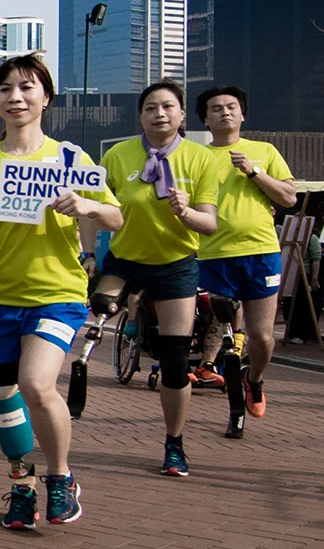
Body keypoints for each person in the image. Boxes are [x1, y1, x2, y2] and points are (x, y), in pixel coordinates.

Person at [0, 54, 120, 530]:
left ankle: (61, 478)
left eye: (28, 88)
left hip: (55, 292)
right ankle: (21, 484)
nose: (16, 97)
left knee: (36, 384)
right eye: (6, 89)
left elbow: (116, 217)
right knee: (0, 396)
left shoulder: (70, 157)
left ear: (46, 98)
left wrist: (88, 205)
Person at [87, 81, 222, 477]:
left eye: (167, 107)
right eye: (150, 108)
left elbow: (209, 225)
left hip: (175, 263)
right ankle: (124, 329)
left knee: (176, 359)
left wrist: (185, 212)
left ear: (181, 114)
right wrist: (87, 253)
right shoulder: (118, 154)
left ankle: (174, 443)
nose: (159, 114)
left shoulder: (200, 159)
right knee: (96, 308)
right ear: (141, 115)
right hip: (124, 260)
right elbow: (91, 207)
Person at [195, 86, 298, 436]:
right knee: (224, 331)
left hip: (260, 252)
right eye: (216, 108)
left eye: (231, 107)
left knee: (262, 337)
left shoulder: (264, 151)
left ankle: (254, 378)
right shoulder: (196, 156)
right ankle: (228, 394)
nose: (224, 112)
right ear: (205, 119)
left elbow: (288, 197)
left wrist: (254, 173)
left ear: (243, 115)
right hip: (213, 255)